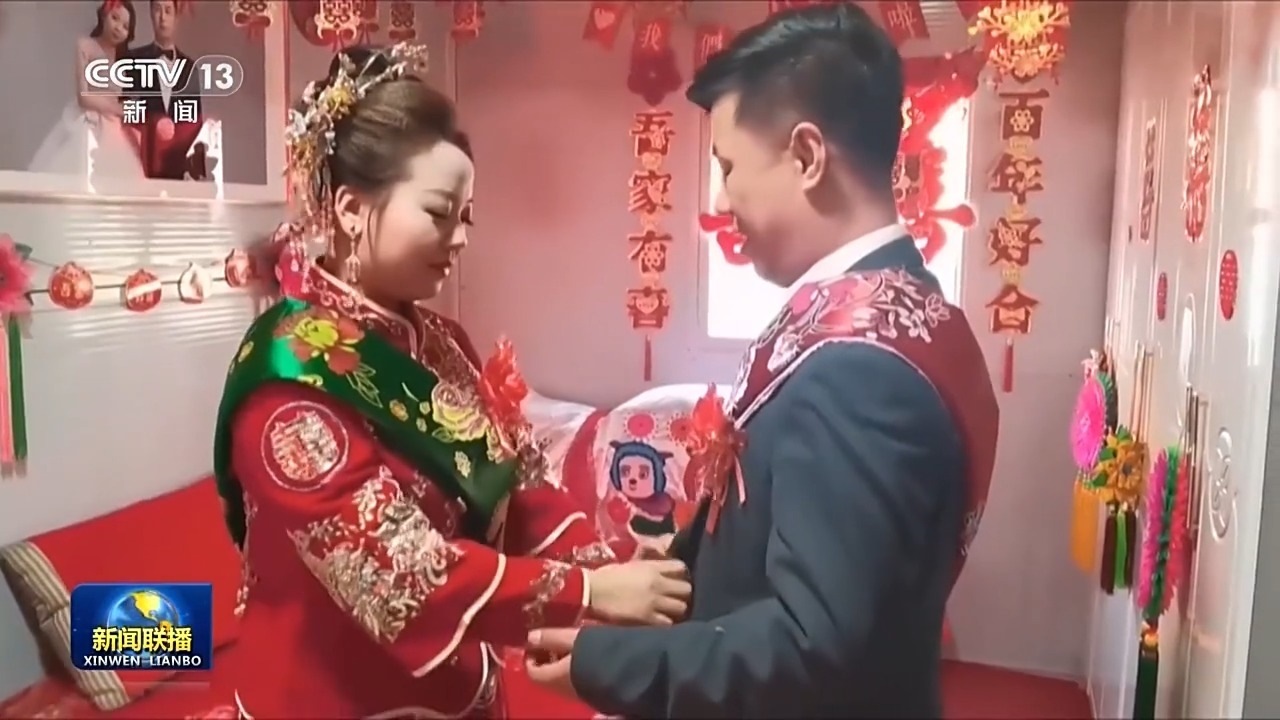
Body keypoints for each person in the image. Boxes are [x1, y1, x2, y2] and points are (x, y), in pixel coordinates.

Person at [526, 5, 1000, 718]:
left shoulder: (859, 370)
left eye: (727, 166)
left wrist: (607, 663)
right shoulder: (904, 304)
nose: (719, 200)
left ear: (807, 156)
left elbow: (816, 643)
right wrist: (681, 570)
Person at [211, 44, 691, 719]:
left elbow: (516, 488)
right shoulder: (288, 383)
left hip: (460, 687)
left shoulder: (442, 342)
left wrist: (613, 563)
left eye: (466, 217)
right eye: (439, 213)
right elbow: (396, 577)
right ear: (350, 209)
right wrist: (590, 593)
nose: (461, 238)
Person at [28, 0, 146, 179]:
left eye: (125, 26)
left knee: (118, 179)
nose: (118, 28)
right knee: (78, 172)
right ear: (104, 15)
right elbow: (84, 97)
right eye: (115, 18)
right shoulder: (85, 45)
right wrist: (118, 109)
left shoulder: (124, 59)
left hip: (114, 128)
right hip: (88, 122)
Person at [125, 0, 201, 179]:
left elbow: (195, 123)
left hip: (179, 170)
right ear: (151, 14)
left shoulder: (190, 68)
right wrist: (153, 123)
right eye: (157, 10)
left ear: (176, 17)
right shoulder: (133, 60)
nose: (162, 18)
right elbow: (126, 109)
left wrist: (194, 170)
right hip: (142, 163)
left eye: (168, 11)